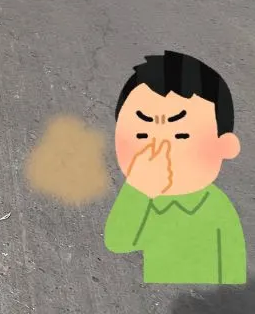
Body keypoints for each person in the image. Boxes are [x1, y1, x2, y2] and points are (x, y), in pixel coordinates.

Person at [104, 51, 245, 284]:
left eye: (181, 136)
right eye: (142, 135)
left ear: (225, 146)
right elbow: (117, 240)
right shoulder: (147, 199)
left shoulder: (217, 212)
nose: (161, 150)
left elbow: (230, 284)